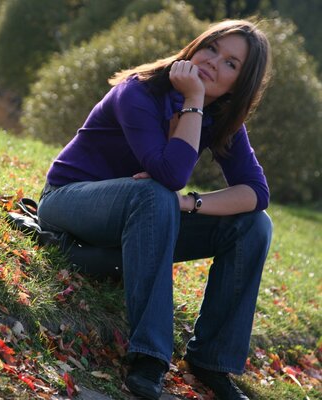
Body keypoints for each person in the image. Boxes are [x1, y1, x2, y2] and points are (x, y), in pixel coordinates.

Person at [37, 19, 272, 400]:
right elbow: (169, 173)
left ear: (238, 84)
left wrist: (189, 203)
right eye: (211, 48)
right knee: (157, 193)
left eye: (231, 63)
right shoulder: (141, 91)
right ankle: (150, 355)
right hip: (70, 200)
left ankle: (211, 360)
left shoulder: (221, 118)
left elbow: (256, 193)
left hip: (144, 215)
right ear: (195, 46)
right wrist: (193, 99)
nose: (213, 62)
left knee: (254, 227)